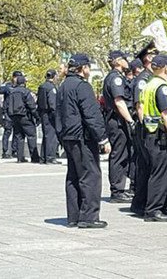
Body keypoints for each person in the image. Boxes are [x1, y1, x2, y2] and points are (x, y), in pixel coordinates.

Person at [57, 54, 111, 229]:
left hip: (68, 136)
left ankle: (74, 216)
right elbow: (91, 114)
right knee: (90, 175)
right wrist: (102, 138)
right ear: (83, 68)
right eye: (88, 67)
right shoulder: (82, 87)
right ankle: (88, 216)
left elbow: (56, 114)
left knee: (73, 176)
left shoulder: (63, 86)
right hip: (82, 137)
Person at [139, 55, 167, 222]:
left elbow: (141, 108)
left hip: (150, 133)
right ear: (166, 68)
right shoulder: (162, 87)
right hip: (160, 135)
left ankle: (160, 206)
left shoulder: (150, 84)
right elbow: (166, 114)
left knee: (156, 170)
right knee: (160, 173)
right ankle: (153, 210)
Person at [102, 51, 135, 203]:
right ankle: (117, 190)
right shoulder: (115, 78)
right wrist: (130, 121)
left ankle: (120, 188)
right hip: (117, 120)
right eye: (124, 58)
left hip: (118, 119)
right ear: (117, 61)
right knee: (118, 154)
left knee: (123, 153)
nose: (127, 61)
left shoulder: (118, 77)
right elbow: (119, 102)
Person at [130, 41, 158, 216]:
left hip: (148, 127)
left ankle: (141, 202)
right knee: (146, 166)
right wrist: (147, 127)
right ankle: (141, 203)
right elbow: (139, 106)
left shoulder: (150, 77)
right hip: (145, 128)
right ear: (148, 58)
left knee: (146, 167)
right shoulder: (144, 79)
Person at [6, 75, 39, 163]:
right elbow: (31, 105)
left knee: (19, 136)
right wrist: (37, 116)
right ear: (24, 83)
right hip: (25, 116)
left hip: (14, 117)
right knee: (31, 136)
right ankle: (34, 157)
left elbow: (7, 105)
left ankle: (20, 157)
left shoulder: (12, 92)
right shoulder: (26, 92)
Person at [37, 69, 61, 164]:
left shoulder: (42, 86)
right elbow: (52, 103)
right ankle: (50, 157)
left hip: (43, 113)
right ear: (54, 76)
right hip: (50, 114)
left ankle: (43, 157)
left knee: (46, 135)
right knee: (51, 136)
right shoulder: (51, 88)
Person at [0, 71, 22, 159]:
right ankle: (4, 151)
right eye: (16, 77)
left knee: (16, 132)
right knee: (7, 131)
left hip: (16, 112)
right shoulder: (7, 86)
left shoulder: (20, 87)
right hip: (8, 112)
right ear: (13, 77)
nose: (17, 79)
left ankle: (14, 150)